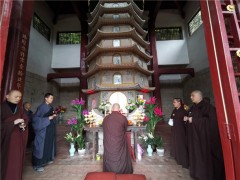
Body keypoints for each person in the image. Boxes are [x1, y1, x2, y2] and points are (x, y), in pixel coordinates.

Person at [184, 90, 225, 180]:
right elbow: (191, 117)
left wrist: (194, 120)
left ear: (199, 96)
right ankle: (196, 172)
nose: (191, 97)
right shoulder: (193, 108)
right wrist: (187, 118)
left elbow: (211, 122)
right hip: (194, 138)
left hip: (204, 139)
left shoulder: (209, 108)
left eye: (192, 96)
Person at [1, 90, 29, 180]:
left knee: (16, 161)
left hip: (18, 140)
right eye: (15, 96)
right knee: (7, 162)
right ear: (7, 96)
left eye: (20, 97)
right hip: (6, 140)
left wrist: (23, 124)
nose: (18, 99)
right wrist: (13, 122)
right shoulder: (1, 108)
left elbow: (25, 119)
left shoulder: (20, 109)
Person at [102, 103, 133, 174]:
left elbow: (104, 127)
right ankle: (122, 170)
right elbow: (125, 128)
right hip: (119, 142)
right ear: (119, 109)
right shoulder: (123, 118)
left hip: (109, 142)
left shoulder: (106, 118)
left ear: (112, 109)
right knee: (122, 151)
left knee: (110, 153)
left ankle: (109, 170)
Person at [32, 93, 57, 172]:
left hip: (49, 129)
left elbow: (50, 116)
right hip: (43, 129)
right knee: (41, 146)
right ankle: (38, 164)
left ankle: (47, 159)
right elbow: (35, 119)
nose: (51, 100)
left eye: (52, 98)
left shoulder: (50, 106)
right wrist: (48, 118)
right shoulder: (41, 107)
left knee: (48, 143)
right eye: (50, 98)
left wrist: (53, 115)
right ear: (45, 98)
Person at [170, 98, 189, 168]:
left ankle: (182, 160)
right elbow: (172, 117)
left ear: (179, 102)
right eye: (173, 102)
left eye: (174, 102)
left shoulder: (184, 110)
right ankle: (177, 156)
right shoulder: (175, 110)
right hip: (175, 129)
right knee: (176, 143)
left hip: (181, 130)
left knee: (181, 144)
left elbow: (185, 121)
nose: (173, 103)